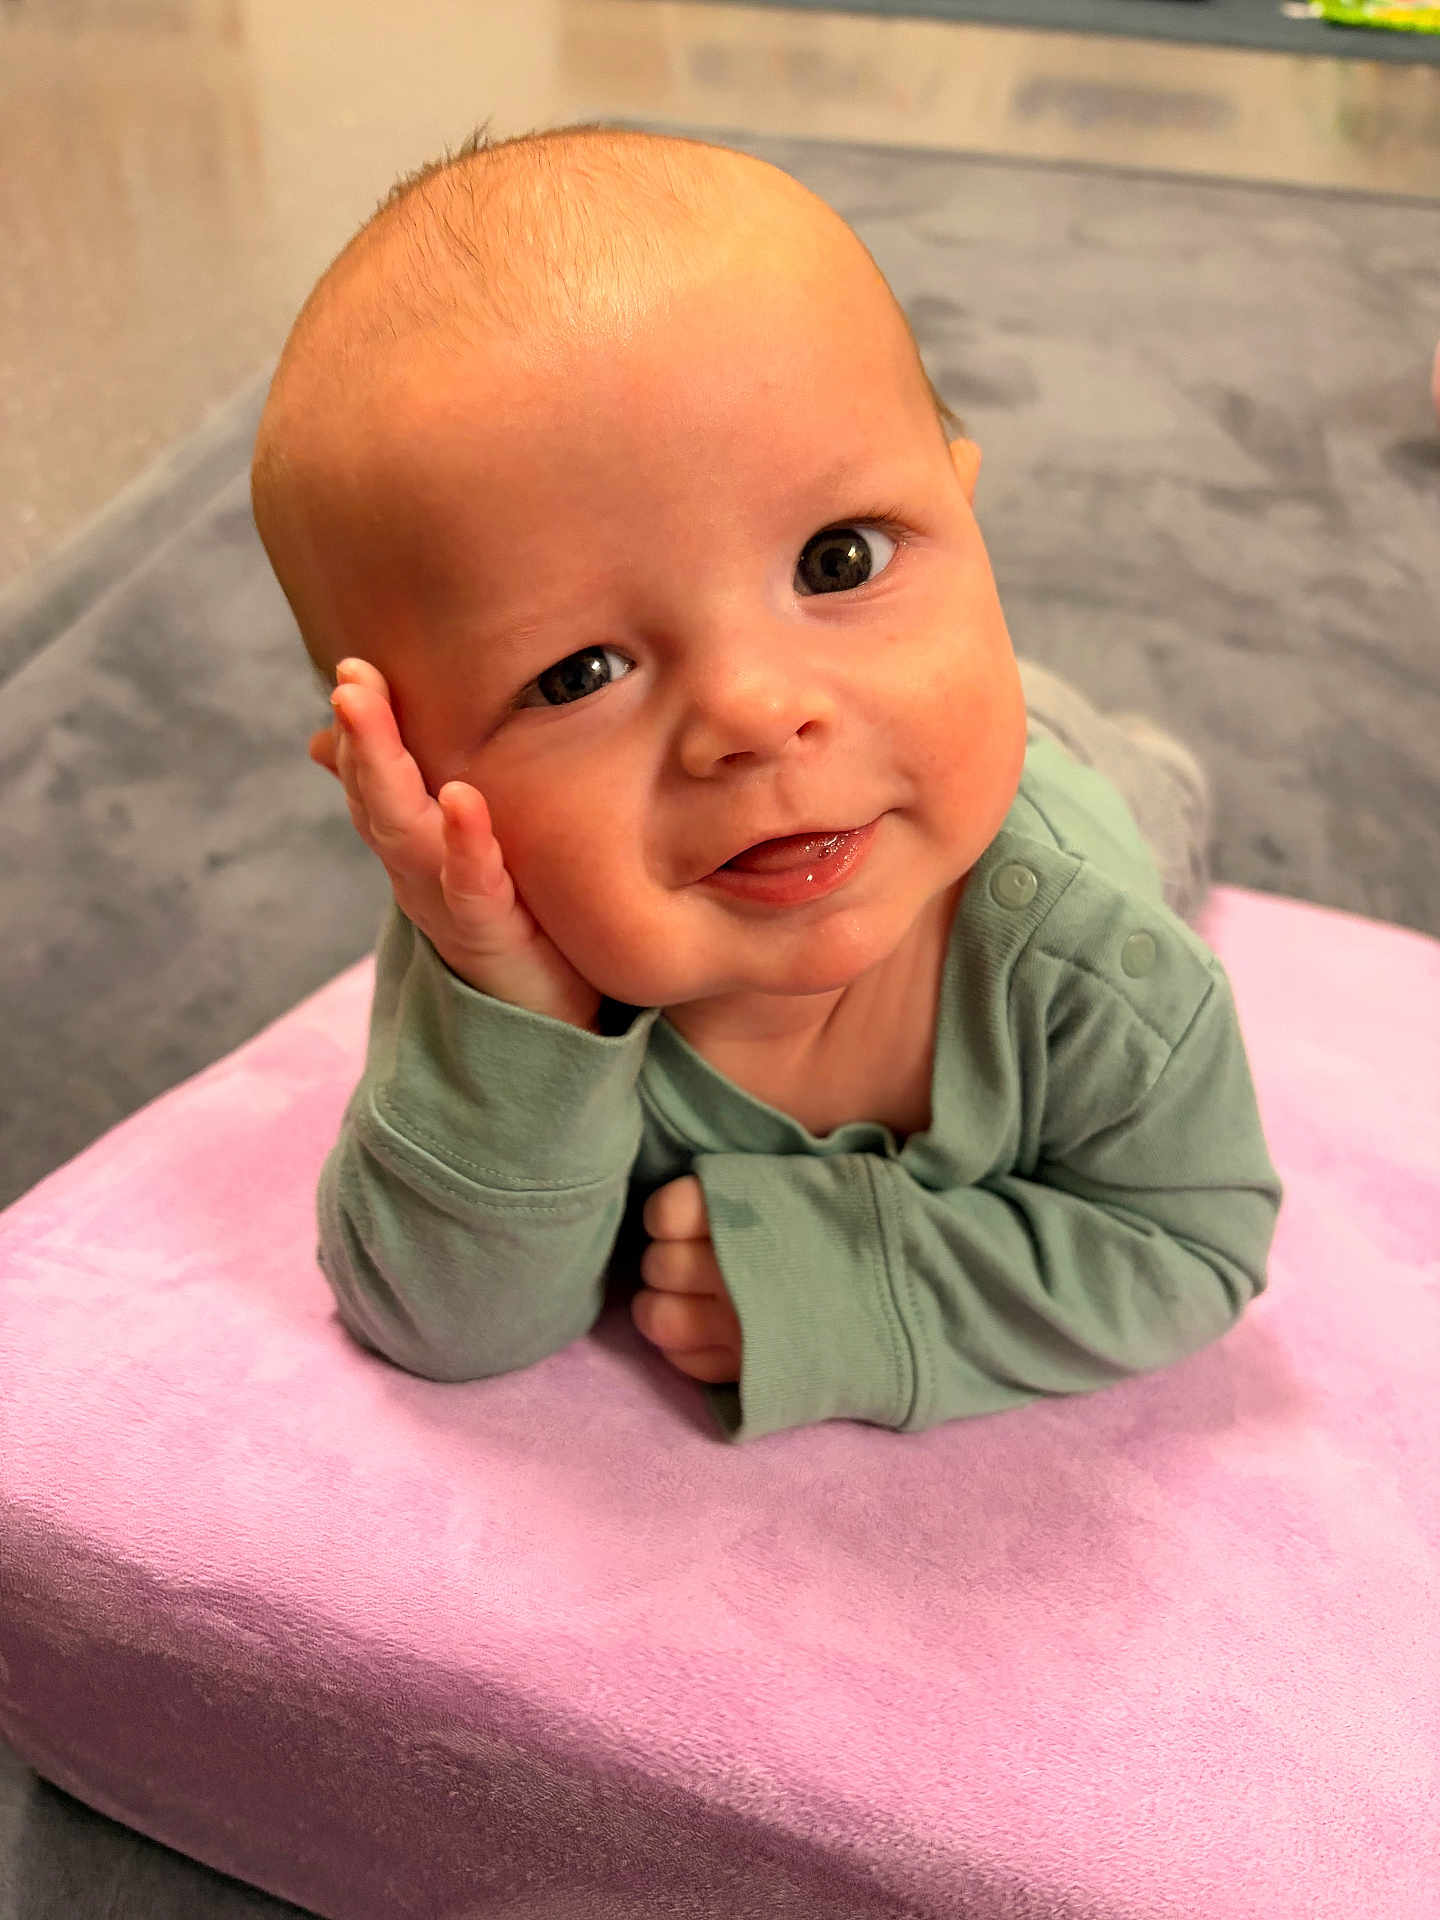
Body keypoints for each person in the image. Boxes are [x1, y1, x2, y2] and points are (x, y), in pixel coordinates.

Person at [250, 123, 1282, 1445]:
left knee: (1145, 791)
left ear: (967, 522)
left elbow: (1191, 1244)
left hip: (1079, 788)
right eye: (578, 674)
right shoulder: (506, 947)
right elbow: (446, 1323)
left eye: (840, 560)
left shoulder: (1100, 978)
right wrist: (511, 1005)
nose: (753, 711)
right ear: (401, 777)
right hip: (893, 753)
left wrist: (853, 1281)